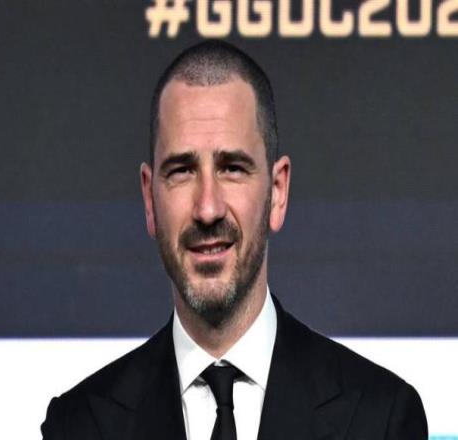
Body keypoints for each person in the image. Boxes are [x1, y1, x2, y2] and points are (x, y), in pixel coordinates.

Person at [41, 41, 427, 440]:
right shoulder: (78, 426)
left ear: (277, 192)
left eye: (233, 168)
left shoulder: (381, 419)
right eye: (182, 170)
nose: (208, 208)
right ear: (149, 199)